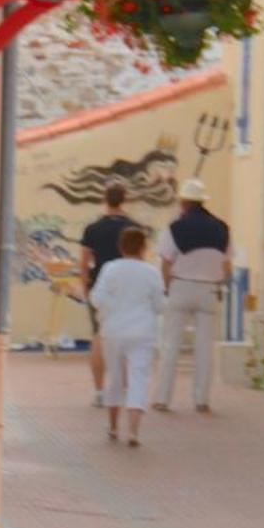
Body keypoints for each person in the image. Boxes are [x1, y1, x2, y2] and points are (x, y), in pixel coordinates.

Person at [153, 177, 232, 414]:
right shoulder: (222, 228)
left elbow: (166, 262)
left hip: (181, 287)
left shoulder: (174, 228)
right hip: (209, 289)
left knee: (171, 346)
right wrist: (220, 285)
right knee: (205, 348)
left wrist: (166, 289)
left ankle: (163, 398)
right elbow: (227, 266)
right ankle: (201, 399)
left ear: (184, 202)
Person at [90, 226, 166, 448]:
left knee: (115, 378)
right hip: (142, 331)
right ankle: (133, 431)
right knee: (138, 378)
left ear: (120, 247)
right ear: (143, 247)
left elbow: (97, 298)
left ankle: (113, 427)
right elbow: (160, 305)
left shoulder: (110, 269)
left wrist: (110, 310)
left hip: (113, 331)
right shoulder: (151, 272)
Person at [79, 184, 143, 408]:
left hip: (101, 287)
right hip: (128, 288)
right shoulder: (134, 227)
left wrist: (86, 286)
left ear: (105, 200)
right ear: (124, 200)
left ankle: (98, 391)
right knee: (126, 338)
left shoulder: (93, 228)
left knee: (99, 337)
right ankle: (122, 389)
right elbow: (140, 259)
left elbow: (84, 262)